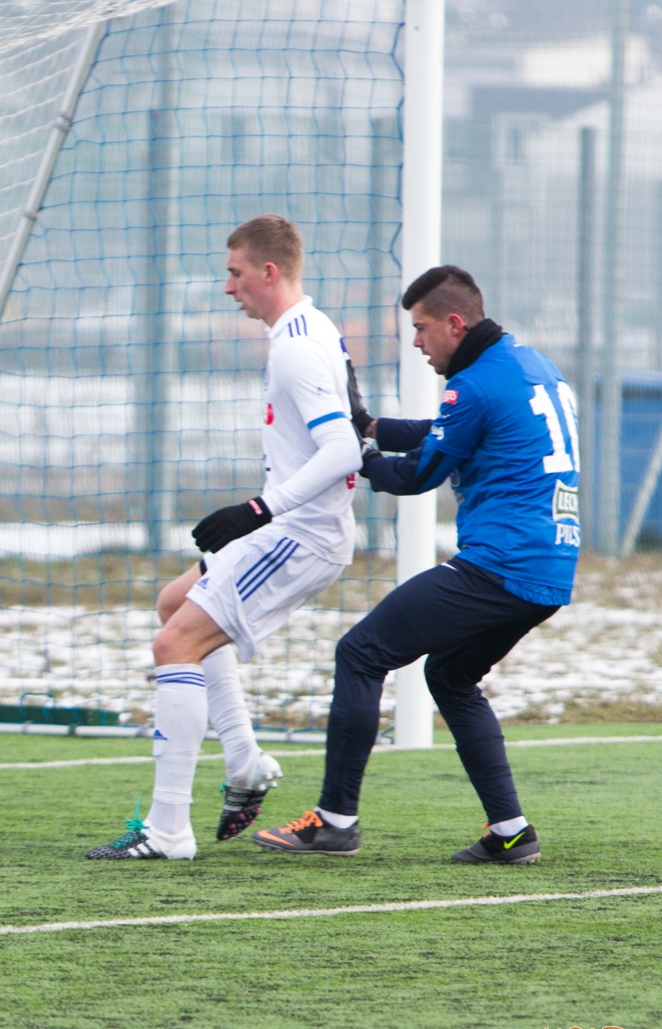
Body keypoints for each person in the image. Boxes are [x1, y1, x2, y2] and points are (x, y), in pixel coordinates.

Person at [253, 265, 578, 863]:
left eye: (423, 328)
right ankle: (511, 833)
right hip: (548, 569)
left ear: (455, 323)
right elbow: (446, 433)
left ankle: (333, 822)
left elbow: (419, 474)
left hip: (499, 566)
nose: (417, 342)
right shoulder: (530, 366)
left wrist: (355, 454)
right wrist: (374, 427)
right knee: (449, 677)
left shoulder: (473, 385)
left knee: (360, 653)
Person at [87, 214, 368, 859]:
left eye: (234, 273)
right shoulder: (312, 326)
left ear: (269, 272)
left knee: (173, 643)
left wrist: (257, 509)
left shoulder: (298, 345)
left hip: (301, 536)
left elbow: (342, 448)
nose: (227, 287)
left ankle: (168, 832)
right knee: (171, 605)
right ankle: (242, 762)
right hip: (296, 526)